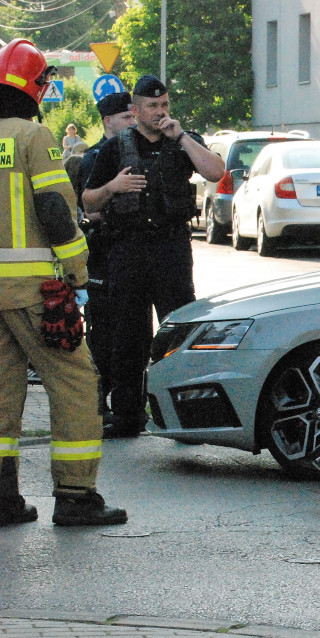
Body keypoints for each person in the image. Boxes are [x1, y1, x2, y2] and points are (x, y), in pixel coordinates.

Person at [0, 38, 126, 526]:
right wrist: (77, 267)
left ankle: (3, 497)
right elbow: (54, 209)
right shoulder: (34, 137)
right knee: (76, 382)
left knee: (3, 389)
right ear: (36, 87)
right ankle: (76, 496)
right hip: (34, 290)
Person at [82, 75, 224, 439]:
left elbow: (215, 172)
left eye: (164, 105)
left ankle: (188, 416)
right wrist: (114, 188)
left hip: (171, 249)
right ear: (135, 110)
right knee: (129, 335)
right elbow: (89, 201)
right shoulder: (115, 149)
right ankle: (128, 414)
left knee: (180, 333)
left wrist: (182, 137)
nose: (160, 112)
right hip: (127, 249)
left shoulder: (183, 141)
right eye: (152, 106)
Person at [76, 92, 135, 426]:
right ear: (108, 120)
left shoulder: (138, 151)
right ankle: (97, 404)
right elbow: (86, 211)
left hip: (131, 256)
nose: (132, 122)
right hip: (101, 255)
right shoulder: (93, 158)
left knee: (132, 335)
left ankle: (130, 406)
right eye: (125, 117)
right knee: (101, 334)